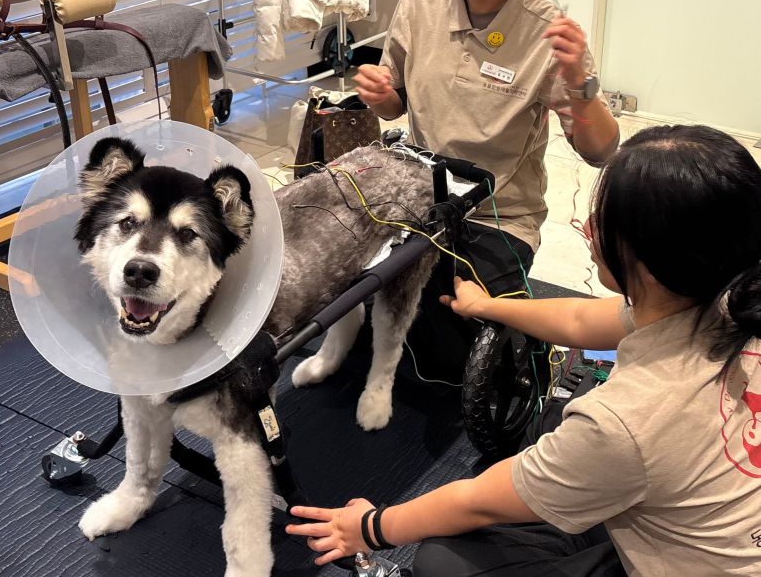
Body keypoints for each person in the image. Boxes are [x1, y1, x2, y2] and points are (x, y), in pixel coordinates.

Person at [286, 125, 761, 576]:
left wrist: (368, 528)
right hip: (708, 508)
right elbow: (582, 319)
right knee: (555, 426)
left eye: (602, 220)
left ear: (654, 264)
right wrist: (488, 305)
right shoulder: (723, 300)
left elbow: (480, 501)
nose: (589, 227)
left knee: (443, 562)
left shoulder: (624, 422)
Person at [354, 0, 620, 383]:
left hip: (500, 215)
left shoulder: (545, 27)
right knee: (363, 298)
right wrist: (381, 96)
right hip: (421, 200)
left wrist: (582, 86)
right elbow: (395, 105)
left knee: (459, 335)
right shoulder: (419, 3)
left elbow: (601, 151)